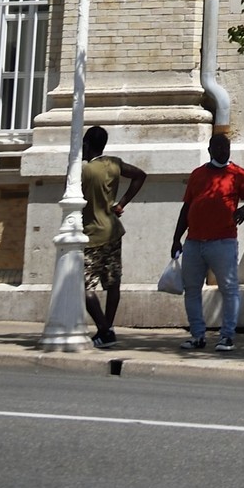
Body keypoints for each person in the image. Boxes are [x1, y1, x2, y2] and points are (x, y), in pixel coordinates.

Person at [172, 130, 244, 352]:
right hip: (194, 242)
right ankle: (197, 335)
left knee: (228, 288)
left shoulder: (238, 174)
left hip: (223, 242)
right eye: (218, 148)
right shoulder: (197, 174)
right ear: (210, 150)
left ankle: (227, 336)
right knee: (192, 289)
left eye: (226, 148)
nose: (223, 151)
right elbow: (187, 207)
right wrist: (176, 238)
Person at [80, 124, 146, 349]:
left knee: (84, 287)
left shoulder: (85, 171)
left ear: (86, 145)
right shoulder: (114, 164)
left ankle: (104, 329)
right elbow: (140, 175)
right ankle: (107, 329)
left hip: (92, 234)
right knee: (113, 283)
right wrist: (121, 203)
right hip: (113, 230)